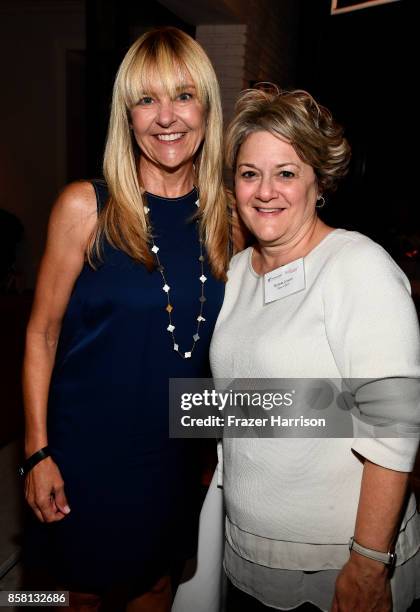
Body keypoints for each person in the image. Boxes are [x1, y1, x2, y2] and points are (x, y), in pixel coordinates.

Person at [22, 27, 229, 612]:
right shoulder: (85, 207)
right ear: (127, 114)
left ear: (207, 108)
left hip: (172, 455)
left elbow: (220, 348)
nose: (167, 117)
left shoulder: (228, 221)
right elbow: (41, 334)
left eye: (183, 96)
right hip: (82, 452)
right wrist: (36, 454)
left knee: (157, 583)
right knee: (68, 595)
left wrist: (211, 447)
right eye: (147, 99)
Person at [210, 88, 420, 611]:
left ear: (318, 182)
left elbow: (394, 424)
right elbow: (243, 402)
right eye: (249, 173)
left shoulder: (355, 266)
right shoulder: (236, 273)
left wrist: (369, 562)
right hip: (248, 555)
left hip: (335, 568)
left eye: (286, 172)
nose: (265, 191)